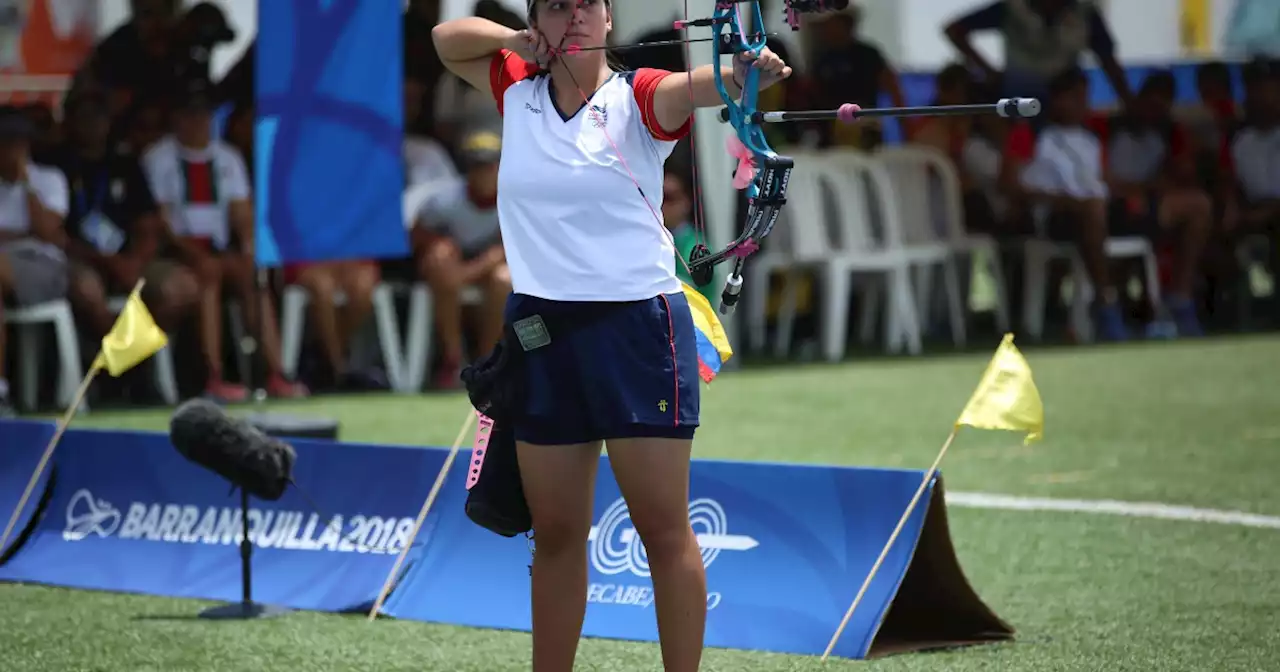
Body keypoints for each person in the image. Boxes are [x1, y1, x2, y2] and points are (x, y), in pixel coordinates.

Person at [431, 1, 790, 670]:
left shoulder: (641, 97)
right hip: (543, 335)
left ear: (607, 19)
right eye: (556, 7)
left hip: (637, 333)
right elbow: (445, 39)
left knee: (662, 529)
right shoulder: (517, 87)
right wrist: (520, 39)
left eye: (585, 6)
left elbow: (705, 85)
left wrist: (746, 67)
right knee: (559, 533)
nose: (573, 18)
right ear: (538, 19)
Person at [142, 84, 307, 402]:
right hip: (175, 254)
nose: (198, 122)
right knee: (208, 273)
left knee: (249, 272)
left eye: (203, 114)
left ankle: (276, 372)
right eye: (190, 114)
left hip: (217, 250)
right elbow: (162, 224)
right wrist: (195, 254)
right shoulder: (158, 158)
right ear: (176, 118)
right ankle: (213, 375)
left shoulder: (227, 157)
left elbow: (242, 213)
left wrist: (249, 246)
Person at [58, 93, 200, 352]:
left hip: (129, 258)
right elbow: (56, 236)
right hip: (80, 260)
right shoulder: (56, 164)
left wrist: (136, 261)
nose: (92, 124)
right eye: (85, 117)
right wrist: (109, 262)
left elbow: (147, 224)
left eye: (99, 116)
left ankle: (134, 355)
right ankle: (106, 361)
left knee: (182, 288)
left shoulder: (125, 163)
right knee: (88, 291)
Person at [411, 127, 510, 389]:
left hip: (493, 268)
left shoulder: (515, 199)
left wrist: (475, 268)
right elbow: (415, 236)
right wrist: (438, 241)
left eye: (490, 165)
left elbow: (518, 247)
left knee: (504, 278)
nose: (484, 173)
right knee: (439, 260)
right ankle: (452, 358)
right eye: (477, 166)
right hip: (453, 265)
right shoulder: (445, 200)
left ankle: (490, 361)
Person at [944, 0, 1133, 117]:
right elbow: (954, 30)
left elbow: (1109, 62)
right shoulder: (1012, 8)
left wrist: (1129, 102)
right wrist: (989, 71)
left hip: (1062, 104)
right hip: (1017, 99)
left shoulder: (1085, 14)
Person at [0, 106, 71, 416]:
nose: (12, 151)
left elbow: (45, 231)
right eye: (6, 143)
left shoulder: (49, 179)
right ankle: (1, 390)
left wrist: (26, 182)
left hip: (43, 267)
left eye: (18, 143)